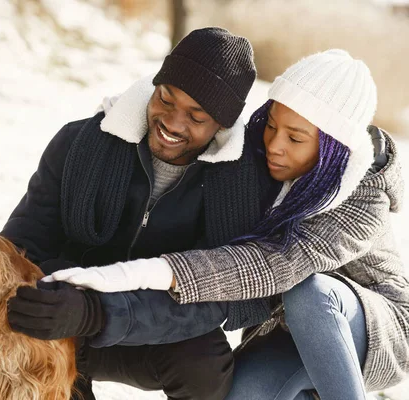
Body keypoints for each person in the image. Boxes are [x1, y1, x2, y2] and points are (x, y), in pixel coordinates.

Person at [41, 50, 409, 399]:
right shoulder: (259, 161)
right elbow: (193, 114)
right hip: (283, 332)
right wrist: (117, 122)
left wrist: (127, 276)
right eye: (272, 125)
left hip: (371, 329)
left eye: (295, 138)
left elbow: (273, 265)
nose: (275, 145)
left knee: (309, 291)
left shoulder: (364, 199)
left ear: (334, 148)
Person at [2, 27, 283, 400]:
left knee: (205, 360)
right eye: (165, 99)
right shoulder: (78, 143)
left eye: (196, 117)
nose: (172, 122)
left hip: (158, 335)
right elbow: (23, 241)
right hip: (62, 321)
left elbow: (218, 300)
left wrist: (98, 312)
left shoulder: (242, 187)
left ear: (222, 125)